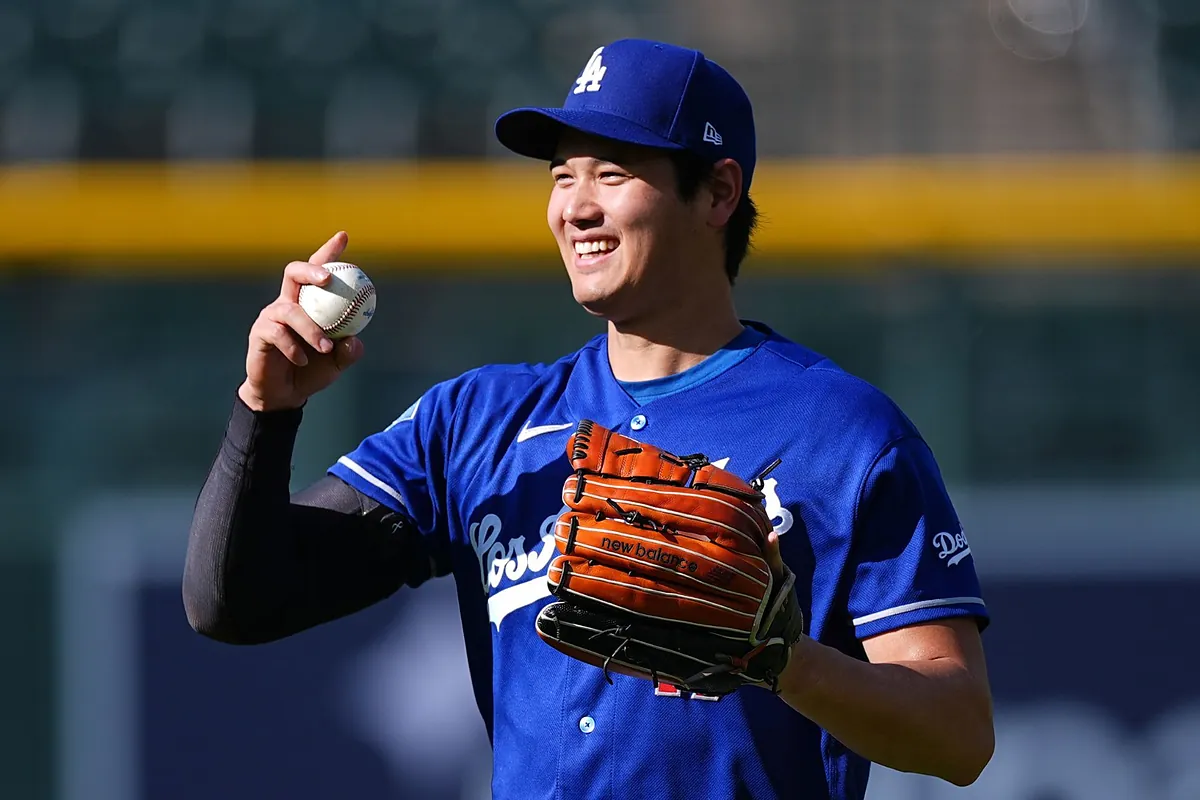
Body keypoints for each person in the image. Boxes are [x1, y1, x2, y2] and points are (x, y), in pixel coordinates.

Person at [183, 38, 994, 800]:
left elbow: (959, 735)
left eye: (611, 173)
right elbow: (234, 602)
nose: (576, 207)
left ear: (718, 192)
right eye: (562, 176)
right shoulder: (474, 424)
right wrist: (266, 412)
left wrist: (788, 662)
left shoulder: (840, 429)